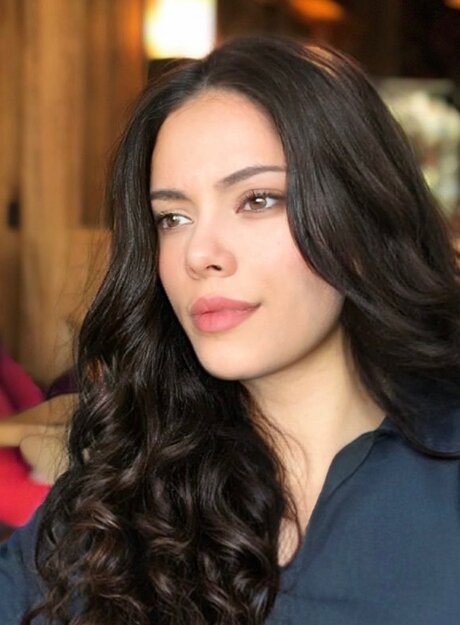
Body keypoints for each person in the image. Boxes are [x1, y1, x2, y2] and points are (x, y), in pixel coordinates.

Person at [1, 35, 460, 625]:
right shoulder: (122, 490)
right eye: (173, 217)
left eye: (257, 200)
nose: (199, 253)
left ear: (360, 216)